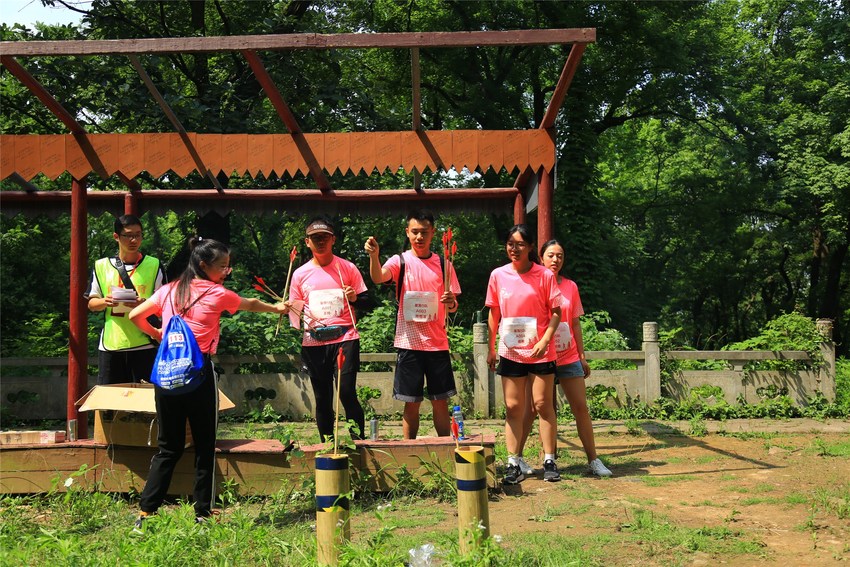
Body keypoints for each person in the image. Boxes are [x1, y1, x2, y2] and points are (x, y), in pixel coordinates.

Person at [128, 237, 286, 529]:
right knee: (204, 445)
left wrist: (158, 334)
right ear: (204, 266)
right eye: (222, 266)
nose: (226, 271)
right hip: (199, 374)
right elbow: (250, 304)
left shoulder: (168, 290)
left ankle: (146, 514)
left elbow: (135, 314)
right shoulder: (217, 293)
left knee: (169, 447)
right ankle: (202, 512)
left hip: (166, 375)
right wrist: (277, 309)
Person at [364, 209, 460, 439]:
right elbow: (378, 277)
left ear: (433, 233)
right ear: (407, 232)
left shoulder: (445, 264)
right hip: (409, 343)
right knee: (411, 402)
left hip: (437, 343)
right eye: (415, 232)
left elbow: (453, 306)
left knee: (440, 401)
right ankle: (409, 448)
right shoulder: (400, 261)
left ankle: (445, 446)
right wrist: (374, 256)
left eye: (424, 232)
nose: (419, 237)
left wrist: (451, 302)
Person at [486, 224, 562, 484]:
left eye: (519, 244)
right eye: (510, 243)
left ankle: (549, 459)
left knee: (542, 404)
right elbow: (494, 313)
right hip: (510, 350)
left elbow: (556, 312)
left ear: (531, 248)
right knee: (513, 407)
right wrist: (491, 347)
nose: (514, 249)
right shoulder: (498, 275)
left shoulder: (545, 276)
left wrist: (544, 340)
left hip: (541, 350)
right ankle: (513, 462)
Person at [283, 216, 367, 442]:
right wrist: (288, 309)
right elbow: (295, 307)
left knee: (347, 392)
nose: (320, 241)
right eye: (315, 238)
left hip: (345, 336)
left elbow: (366, 299)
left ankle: (358, 443)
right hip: (314, 341)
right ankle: (327, 445)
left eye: (325, 237)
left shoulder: (347, 267)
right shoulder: (300, 273)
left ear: (333, 240)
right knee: (323, 397)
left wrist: (355, 297)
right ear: (307, 242)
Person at [541, 239, 612, 477]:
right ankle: (528, 460)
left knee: (580, 407)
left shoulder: (570, 286)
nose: (555, 260)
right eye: (551, 255)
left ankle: (593, 459)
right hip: (541, 356)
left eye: (560, 255)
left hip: (568, 355)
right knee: (539, 408)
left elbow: (575, 323)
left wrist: (582, 355)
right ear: (541, 257)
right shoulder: (534, 282)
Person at [86, 214, 165, 385]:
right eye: (128, 235)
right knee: (110, 401)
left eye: (138, 235)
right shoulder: (101, 266)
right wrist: (104, 302)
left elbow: (165, 305)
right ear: (116, 237)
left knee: (145, 401)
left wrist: (143, 304)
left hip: (145, 342)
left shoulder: (154, 265)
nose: (133, 240)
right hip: (111, 344)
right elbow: (92, 304)